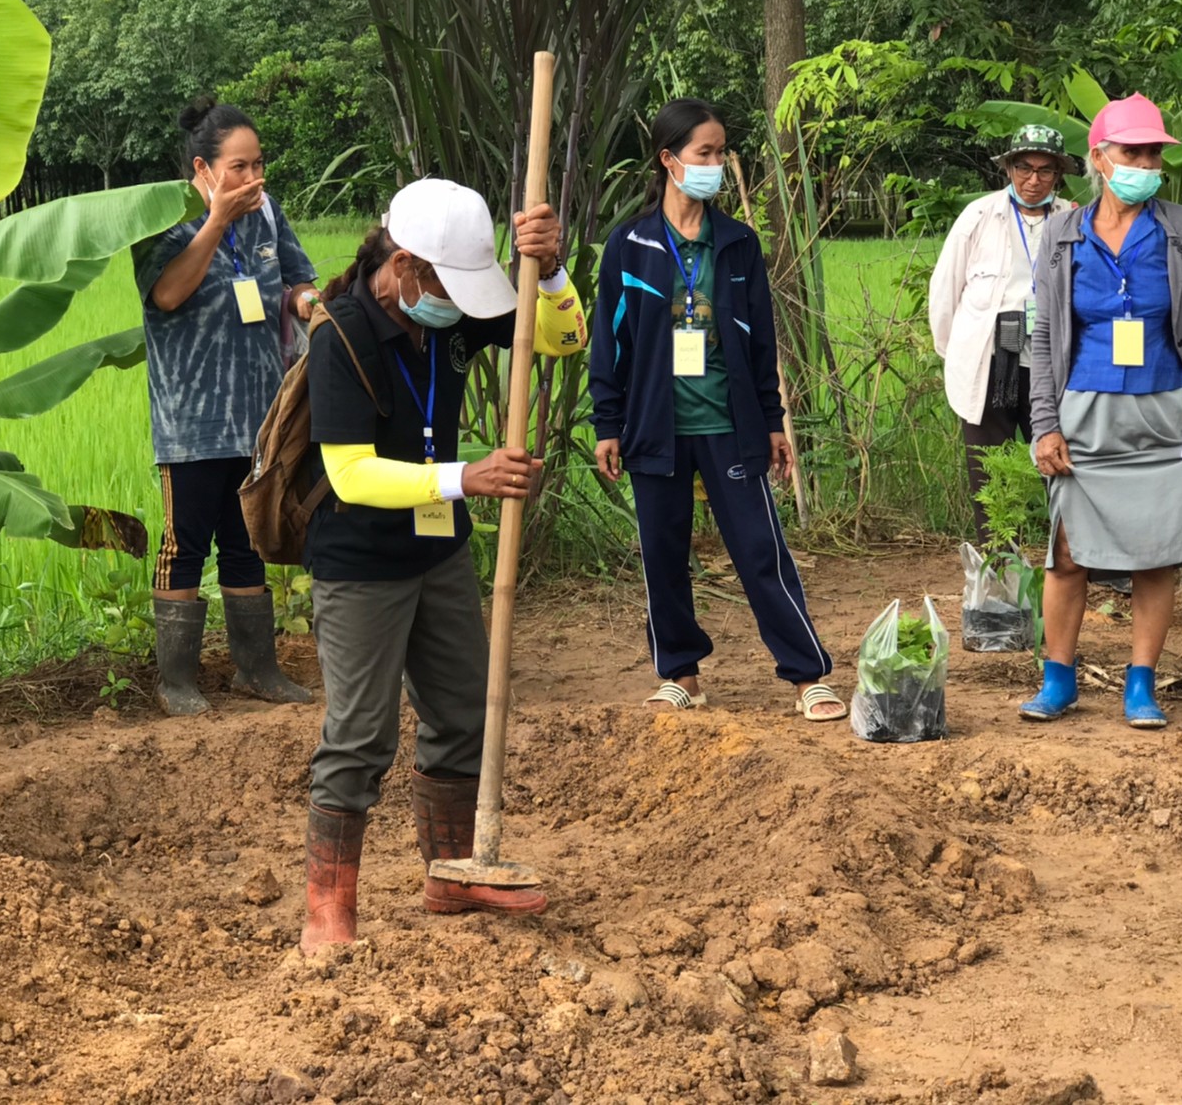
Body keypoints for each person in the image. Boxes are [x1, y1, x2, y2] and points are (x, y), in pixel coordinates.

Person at [297, 179, 588, 954]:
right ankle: (329, 905)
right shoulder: (342, 335)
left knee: (464, 712)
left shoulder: (452, 314)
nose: (459, 303)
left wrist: (551, 270)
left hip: (439, 553)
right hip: (360, 565)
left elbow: (562, 341)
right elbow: (353, 475)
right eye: (446, 286)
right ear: (404, 266)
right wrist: (468, 476)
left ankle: (451, 873)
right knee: (360, 735)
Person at [588, 98, 843, 723]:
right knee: (663, 553)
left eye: (721, 152)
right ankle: (680, 673)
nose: (717, 163)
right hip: (655, 430)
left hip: (731, 427)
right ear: (669, 160)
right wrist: (607, 424)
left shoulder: (737, 245)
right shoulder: (630, 246)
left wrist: (775, 419)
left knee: (760, 550)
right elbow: (609, 342)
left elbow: (761, 344)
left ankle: (807, 673)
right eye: (705, 153)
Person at [1019, 93, 1182, 729]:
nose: (1148, 162)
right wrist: (1045, 422)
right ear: (1100, 159)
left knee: (1157, 551)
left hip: (1166, 411)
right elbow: (1045, 334)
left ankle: (1141, 684)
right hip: (1087, 411)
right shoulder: (1061, 231)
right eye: (1134, 151)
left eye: (1155, 151)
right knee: (1068, 551)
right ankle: (1058, 679)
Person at [136, 97, 316, 716]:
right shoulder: (163, 220)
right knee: (183, 546)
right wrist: (215, 222)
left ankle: (256, 671)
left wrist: (307, 302)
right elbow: (166, 294)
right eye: (239, 167)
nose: (253, 178)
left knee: (246, 544)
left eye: (259, 164)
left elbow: (296, 278)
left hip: (259, 418)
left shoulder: (269, 216)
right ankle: (177, 682)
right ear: (203, 169)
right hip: (191, 423)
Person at [929, 125, 1079, 543]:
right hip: (991, 360)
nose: (1033, 180)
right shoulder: (979, 216)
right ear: (1009, 169)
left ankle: (1067, 562)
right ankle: (998, 570)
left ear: (1059, 174)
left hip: (1050, 364)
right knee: (990, 471)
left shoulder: (1072, 219)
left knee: (1061, 461)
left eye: (1045, 171)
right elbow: (945, 290)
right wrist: (955, 354)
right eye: (1024, 168)